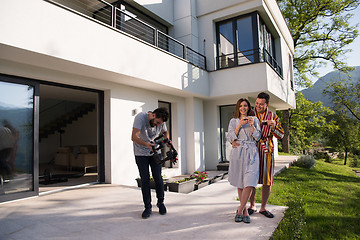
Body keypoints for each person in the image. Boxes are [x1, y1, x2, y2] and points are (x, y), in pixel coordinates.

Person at [234, 92, 284, 218]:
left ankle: (263, 208)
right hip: (251, 150)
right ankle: (252, 205)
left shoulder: (273, 116)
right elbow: (239, 129)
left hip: (266, 150)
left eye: (261, 104)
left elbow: (281, 135)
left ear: (267, 104)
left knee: (267, 180)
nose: (258, 106)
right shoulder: (250, 113)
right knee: (251, 178)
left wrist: (274, 127)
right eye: (256, 103)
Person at [227, 98, 261, 224]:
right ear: (238, 108)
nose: (243, 108)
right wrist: (240, 125)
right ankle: (245, 211)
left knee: (250, 182)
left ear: (249, 107)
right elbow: (230, 137)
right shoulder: (233, 121)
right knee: (240, 182)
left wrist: (251, 125)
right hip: (239, 152)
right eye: (240, 106)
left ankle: (239, 209)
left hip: (251, 152)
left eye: (245, 106)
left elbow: (257, 137)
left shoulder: (255, 119)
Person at [131, 107, 170, 219]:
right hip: (140, 152)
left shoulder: (161, 122)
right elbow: (134, 137)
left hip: (155, 152)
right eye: (157, 122)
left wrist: (166, 140)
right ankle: (147, 206)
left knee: (158, 177)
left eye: (160, 124)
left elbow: (165, 132)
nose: (158, 125)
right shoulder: (141, 118)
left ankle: (160, 202)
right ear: (153, 115)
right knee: (145, 179)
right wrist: (146, 144)